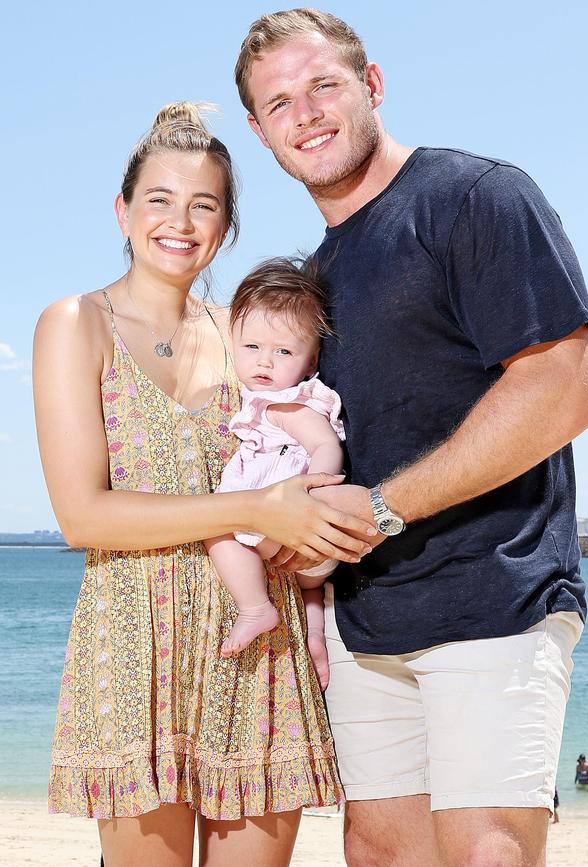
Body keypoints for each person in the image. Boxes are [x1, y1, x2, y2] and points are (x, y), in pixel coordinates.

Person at [235, 9, 588, 867]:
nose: (308, 113)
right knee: (378, 851)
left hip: (496, 598)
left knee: (488, 852)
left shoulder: (475, 198)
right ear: (260, 132)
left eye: (324, 84)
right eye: (280, 103)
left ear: (372, 84)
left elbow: (566, 389)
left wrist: (383, 508)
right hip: (369, 620)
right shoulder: (316, 274)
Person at [33, 101, 376, 867]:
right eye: (158, 199)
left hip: (260, 648)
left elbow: (330, 445)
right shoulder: (74, 323)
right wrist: (258, 507)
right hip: (134, 645)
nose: (179, 221)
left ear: (226, 227)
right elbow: (82, 515)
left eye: (204, 205)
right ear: (123, 210)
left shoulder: (248, 335)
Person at [205, 257, 343, 687]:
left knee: (217, 528)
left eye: (283, 351)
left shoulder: (289, 406)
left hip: (295, 527)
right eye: (252, 347)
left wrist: (313, 497)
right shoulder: (265, 403)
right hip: (309, 557)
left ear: (310, 360)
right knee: (310, 591)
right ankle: (315, 638)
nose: (264, 361)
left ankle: (255, 608)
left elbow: (326, 444)